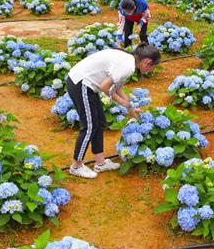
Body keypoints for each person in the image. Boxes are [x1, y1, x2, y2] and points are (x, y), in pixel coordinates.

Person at [66, 44, 161, 178]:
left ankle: (100, 163)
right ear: (147, 62)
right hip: (81, 83)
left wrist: (130, 108)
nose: (152, 70)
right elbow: (105, 87)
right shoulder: (127, 66)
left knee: (100, 122)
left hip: (87, 85)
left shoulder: (128, 61)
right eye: (153, 66)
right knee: (90, 126)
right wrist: (122, 102)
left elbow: (117, 87)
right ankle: (76, 166)